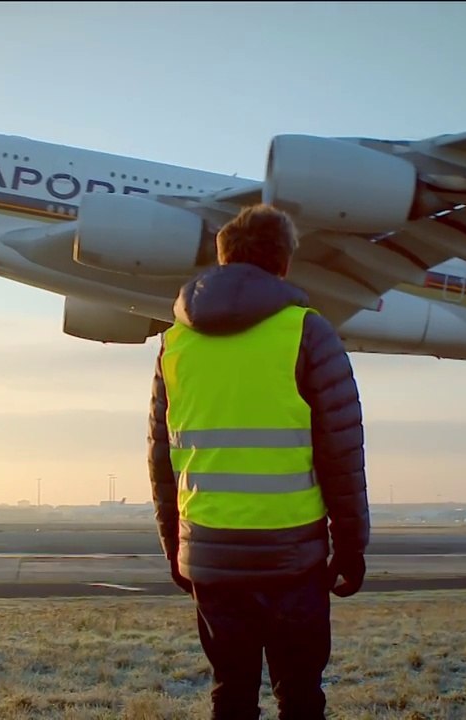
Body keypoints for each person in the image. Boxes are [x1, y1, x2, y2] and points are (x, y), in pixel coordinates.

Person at [147, 203, 370, 720]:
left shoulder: (174, 344)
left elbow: (162, 459)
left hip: (211, 555)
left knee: (231, 694)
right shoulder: (309, 332)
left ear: (223, 258)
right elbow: (341, 452)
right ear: (284, 263)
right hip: (294, 558)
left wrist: (176, 547)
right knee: (300, 697)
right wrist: (351, 545)